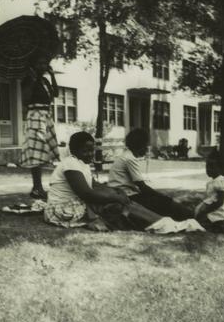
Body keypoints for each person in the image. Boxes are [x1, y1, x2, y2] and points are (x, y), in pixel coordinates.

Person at [45, 131, 162, 231]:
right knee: (114, 205)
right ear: (73, 150)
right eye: (85, 151)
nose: (90, 154)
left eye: (92, 150)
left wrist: (115, 191)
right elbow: (86, 194)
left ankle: (157, 222)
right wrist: (115, 197)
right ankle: (156, 225)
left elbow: (94, 184)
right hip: (61, 209)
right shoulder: (71, 164)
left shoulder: (81, 164)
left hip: (74, 204)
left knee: (119, 200)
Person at [108, 128, 193, 221]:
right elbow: (142, 186)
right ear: (141, 146)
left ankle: (186, 214)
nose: (147, 148)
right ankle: (191, 215)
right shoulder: (130, 158)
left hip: (122, 193)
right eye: (146, 145)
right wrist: (161, 196)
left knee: (161, 201)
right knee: (164, 201)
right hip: (126, 196)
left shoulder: (126, 155)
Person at [20, 61, 60, 200]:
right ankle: (37, 187)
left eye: (45, 64)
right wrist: (33, 79)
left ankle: (38, 187)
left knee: (43, 152)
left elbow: (55, 93)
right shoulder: (28, 79)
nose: (44, 66)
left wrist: (52, 75)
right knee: (36, 152)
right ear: (34, 65)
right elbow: (25, 99)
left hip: (46, 116)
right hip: (35, 115)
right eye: (41, 63)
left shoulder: (45, 80)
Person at [194, 152, 224, 230]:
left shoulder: (220, 181)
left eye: (212, 167)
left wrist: (205, 211)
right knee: (196, 219)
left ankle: (218, 225)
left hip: (218, 214)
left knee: (198, 224)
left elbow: (220, 202)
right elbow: (211, 197)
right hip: (212, 211)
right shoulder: (213, 181)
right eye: (207, 167)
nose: (209, 170)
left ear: (220, 168)